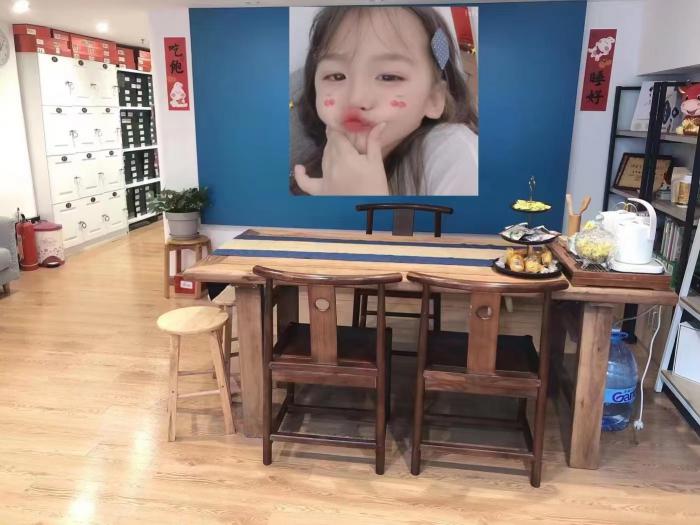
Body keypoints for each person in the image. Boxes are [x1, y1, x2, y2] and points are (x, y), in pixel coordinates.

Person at [292, 6, 478, 196]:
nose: (356, 98)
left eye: (388, 77)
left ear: (433, 99)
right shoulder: (314, 161)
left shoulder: (455, 154)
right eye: (336, 76)